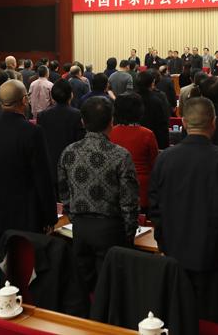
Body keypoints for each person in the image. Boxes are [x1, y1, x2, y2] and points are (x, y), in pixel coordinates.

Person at [148, 97, 218, 323]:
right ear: (214, 123)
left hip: (173, 250)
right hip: (212, 255)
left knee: (176, 315)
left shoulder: (164, 159)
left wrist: (162, 242)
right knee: (209, 321)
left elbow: (155, 207)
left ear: (183, 122)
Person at [58, 97, 139, 293]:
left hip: (80, 227)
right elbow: (129, 201)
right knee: (110, 289)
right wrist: (128, 233)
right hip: (110, 228)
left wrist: (74, 217)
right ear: (112, 121)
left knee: (82, 289)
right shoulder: (120, 155)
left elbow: (64, 192)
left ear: (83, 122)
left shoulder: (69, 152)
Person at [0, 80, 57, 244]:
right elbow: (42, 177)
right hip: (26, 217)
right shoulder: (33, 132)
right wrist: (50, 216)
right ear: (24, 100)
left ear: (1, 103)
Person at [110, 93, 159, 212]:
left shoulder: (110, 133)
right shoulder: (147, 134)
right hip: (142, 191)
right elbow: (155, 164)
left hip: (115, 189)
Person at [37, 79, 85, 190]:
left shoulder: (42, 115)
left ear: (52, 97)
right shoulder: (77, 115)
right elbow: (80, 141)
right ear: (71, 95)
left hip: (49, 165)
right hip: (71, 164)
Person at [134, 70, 170, 149]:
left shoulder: (130, 99)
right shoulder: (157, 100)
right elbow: (162, 125)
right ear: (152, 83)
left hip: (133, 140)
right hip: (153, 140)